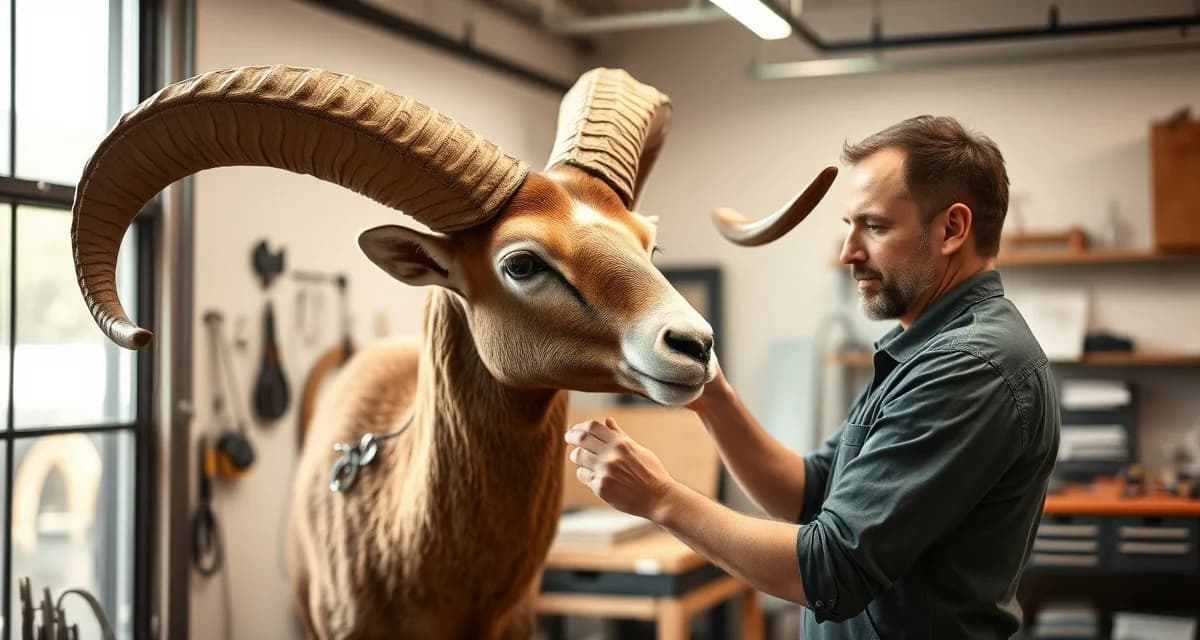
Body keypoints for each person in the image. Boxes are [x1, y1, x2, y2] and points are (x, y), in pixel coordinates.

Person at [565, 115, 1061, 638]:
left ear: (951, 229)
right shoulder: (924, 350)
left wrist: (660, 498)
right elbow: (809, 493)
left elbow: (830, 568)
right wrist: (714, 398)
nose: (849, 252)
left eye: (874, 226)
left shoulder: (967, 366)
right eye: (849, 226)